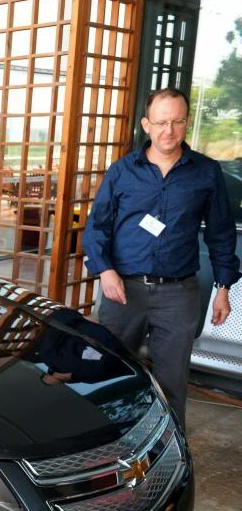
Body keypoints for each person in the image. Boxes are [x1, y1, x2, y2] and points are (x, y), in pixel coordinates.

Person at [82, 87, 240, 424]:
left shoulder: (206, 172)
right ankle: (110, 441)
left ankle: (169, 444)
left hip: (178, 294)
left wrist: (223, 287)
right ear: (146, 124)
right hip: (123, 291)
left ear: (187, 123)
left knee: (171, 382)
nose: (169, 130)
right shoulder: (122, 171)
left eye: (177, 121)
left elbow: (221, 233)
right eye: (161, 122)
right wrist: (105, 271)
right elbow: (97, 228)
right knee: (111, 373)